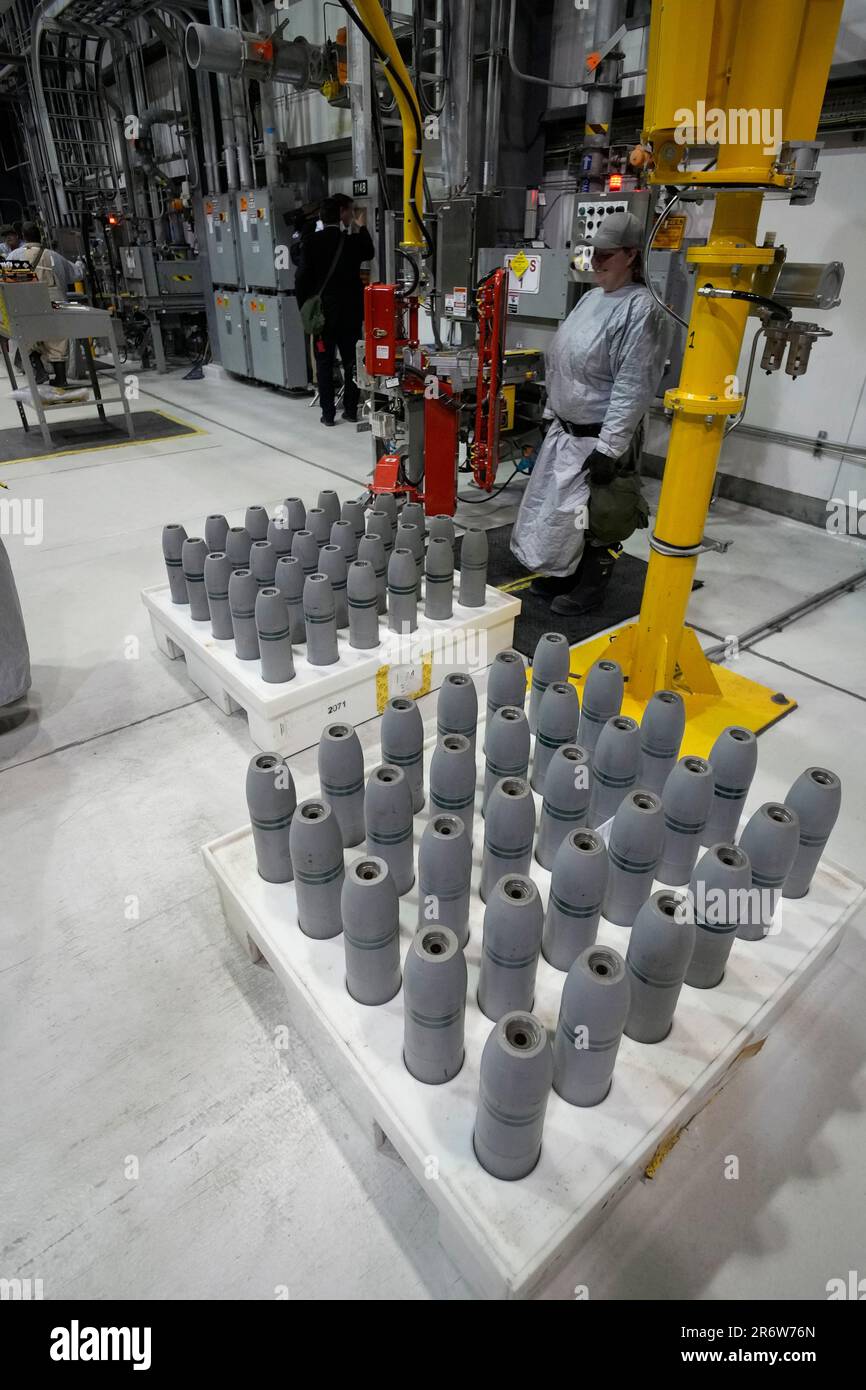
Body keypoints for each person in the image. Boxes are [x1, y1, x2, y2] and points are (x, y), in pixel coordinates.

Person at [510, 210, 673, 616]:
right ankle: (562, 574)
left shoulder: (643, 310)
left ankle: (592, 586)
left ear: (632, 255)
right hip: (568, 432)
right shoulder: (591, 298)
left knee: (601, 516)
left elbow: (634, 386)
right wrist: (553, 413)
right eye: (593, 252)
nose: (596, 261)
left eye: (607, 254)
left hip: (600, 436)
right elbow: (564, 359)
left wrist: (611, 447)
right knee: (564, 512)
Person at [296, 194, 374, 427]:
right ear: (342, 213)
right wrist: (361, 227)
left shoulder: (310, 242)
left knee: (324, 363)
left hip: (322, 318)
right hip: (349, 316)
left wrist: (306, 307)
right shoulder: (350, 243)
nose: (351, 215)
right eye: (350, 211)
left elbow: (300, 279)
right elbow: (368, 252)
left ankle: (328, 414)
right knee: (351, 362)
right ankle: (350, 410)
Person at [6, 222, 84, 392]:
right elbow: (77, 274)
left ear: (23, 236)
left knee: (27, 339)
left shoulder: (14, 256)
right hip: (56, 304)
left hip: (27, 306)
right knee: (57, 339)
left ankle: (39, 370)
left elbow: (8, 285)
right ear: (40, 236)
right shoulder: (54, 256)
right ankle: (61, 378)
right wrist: (80, 262)